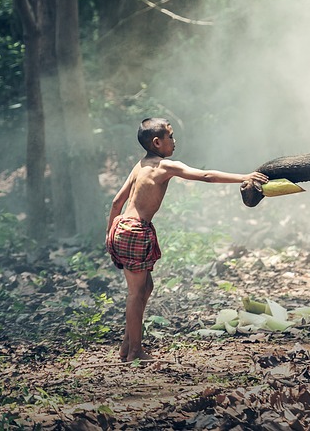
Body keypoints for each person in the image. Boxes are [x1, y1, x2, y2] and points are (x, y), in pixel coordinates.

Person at [106, 117, 268, 362]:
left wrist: (110, 234)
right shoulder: (164, 166)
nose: (175, 141)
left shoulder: (140, 166)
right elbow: (206, 176)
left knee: (145, 288)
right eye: (171, 136)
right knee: (135, 294)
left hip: (123, 227)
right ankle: (135, 352)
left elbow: (117, 202)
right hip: (135, 230)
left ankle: (127, 345)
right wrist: (244, 176)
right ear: (157, 142)